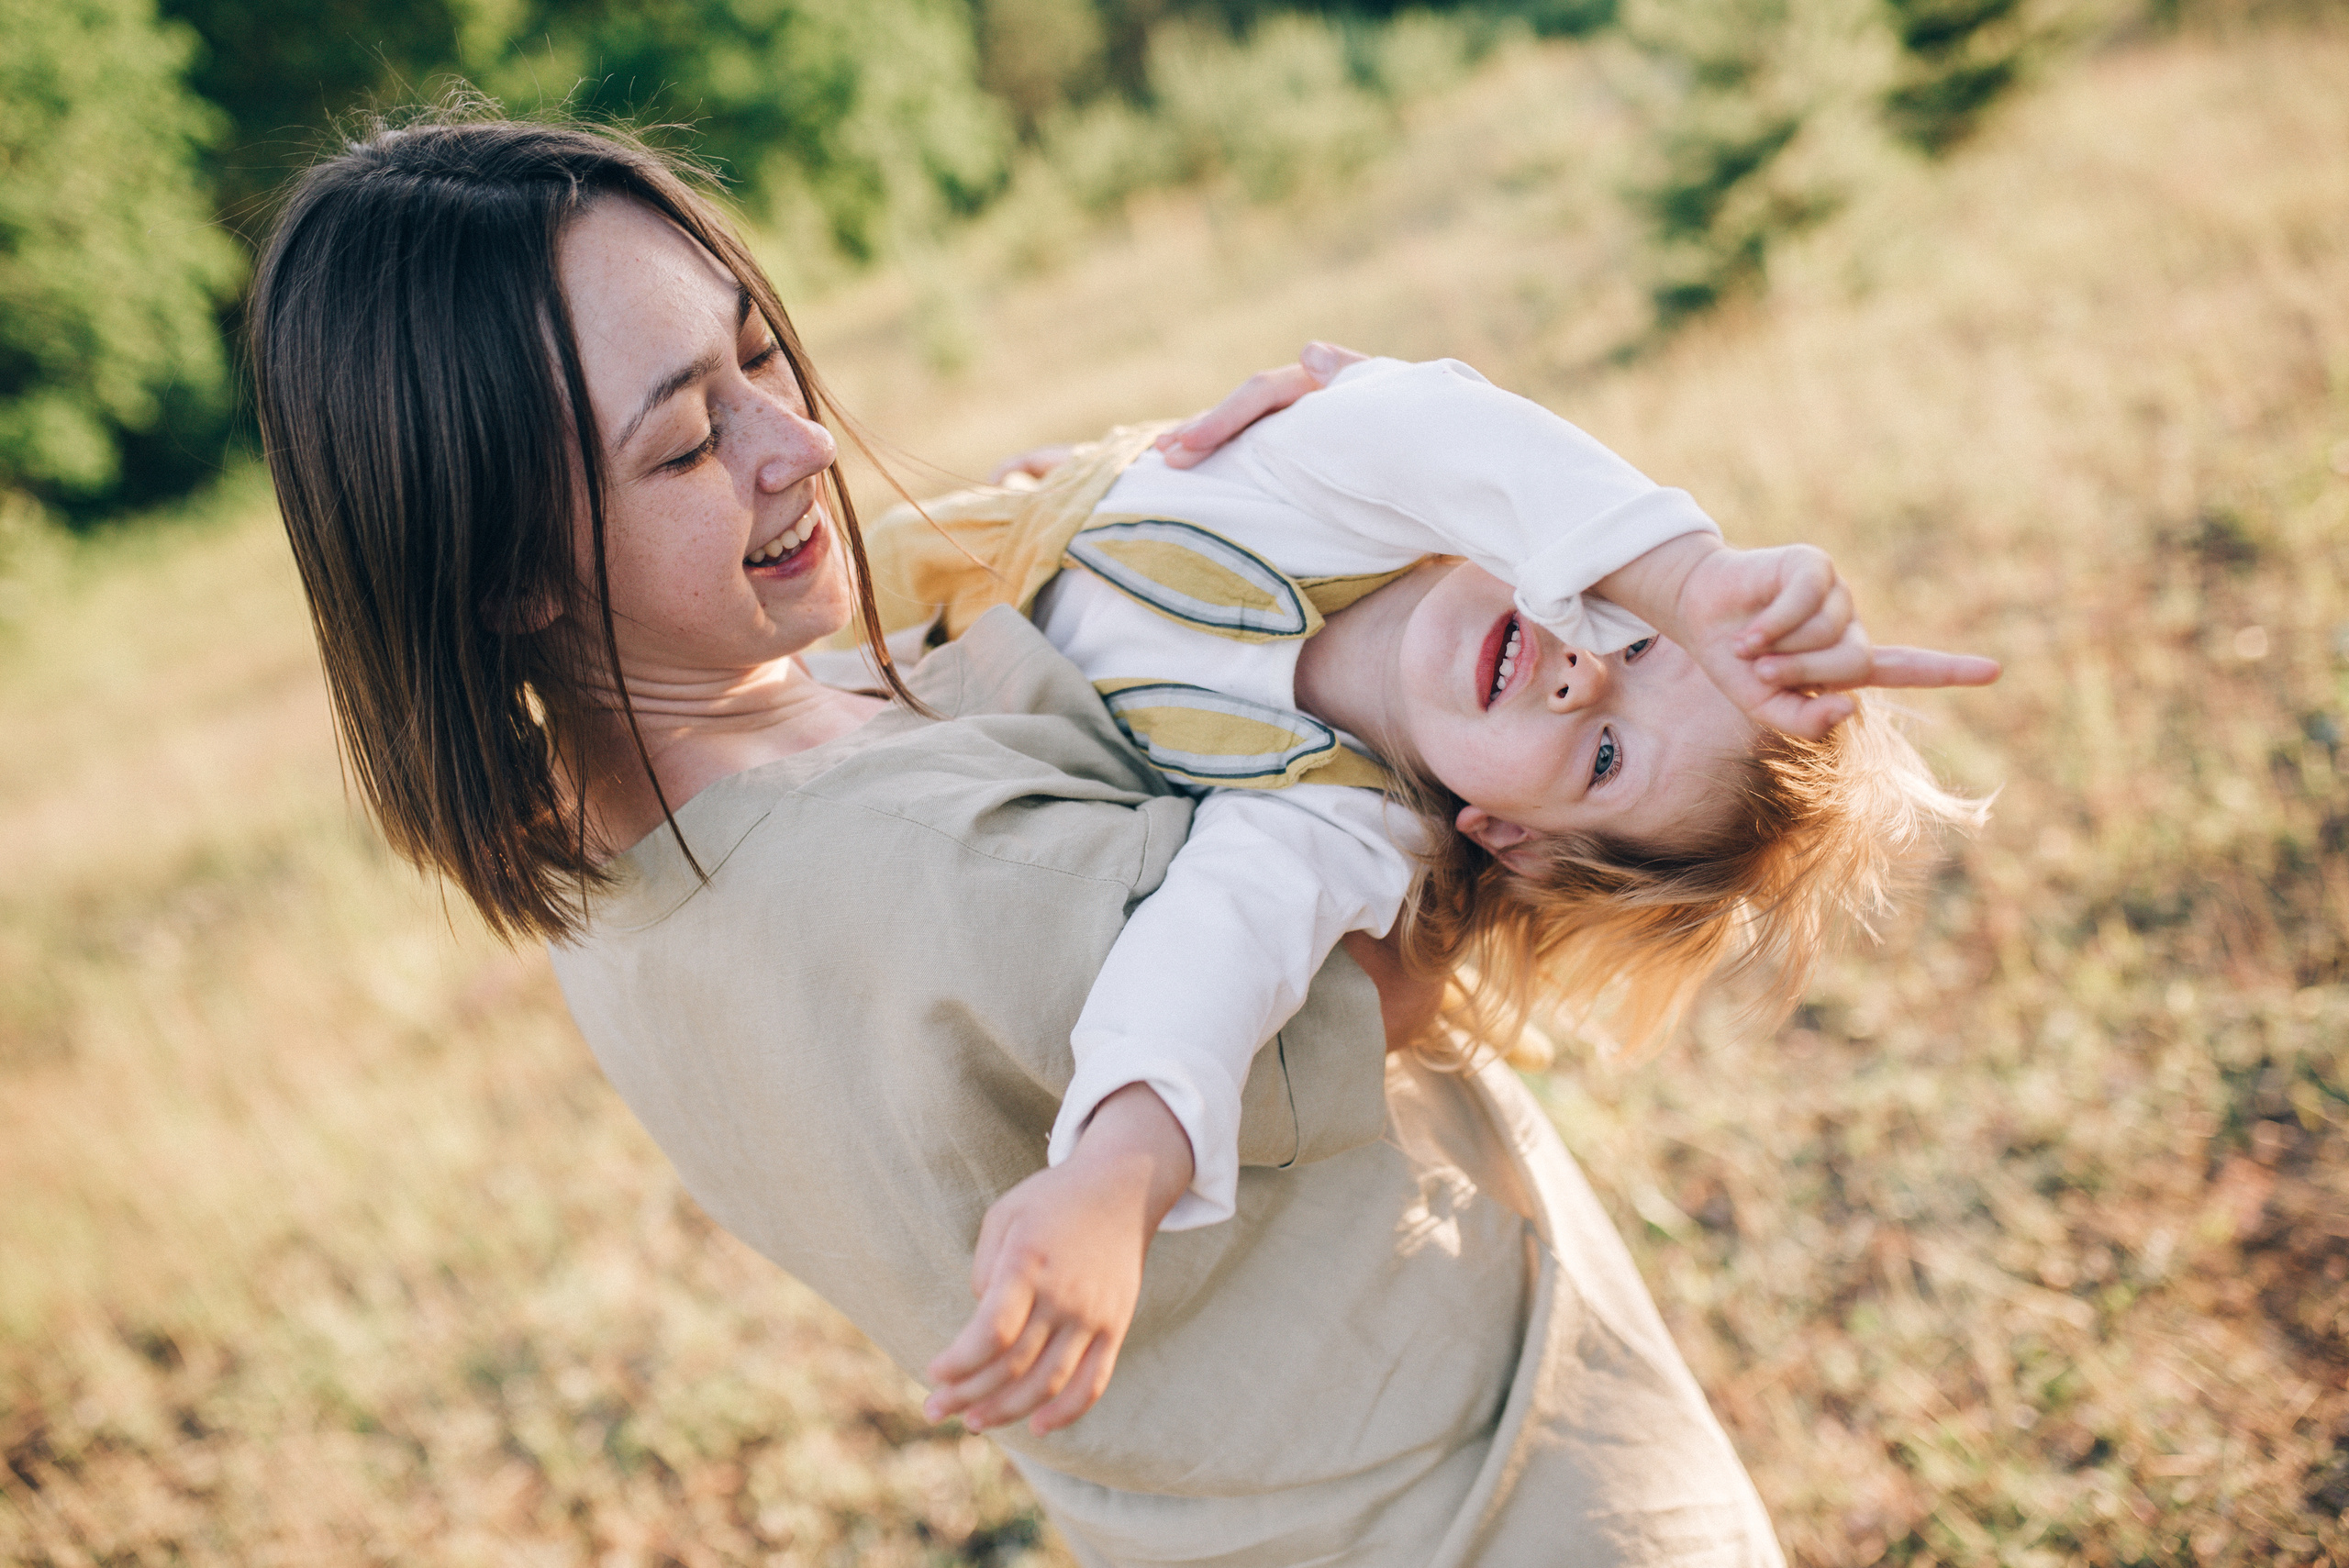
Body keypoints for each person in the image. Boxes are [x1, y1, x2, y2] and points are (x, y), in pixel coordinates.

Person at [247, 110, 1980, 1565]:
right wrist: (1461, 659)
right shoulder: (961, 864)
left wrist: (1161, 502)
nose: (794, 442)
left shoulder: (634, 858)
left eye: (758, 347)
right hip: (1491, 1481)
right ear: (511, 576)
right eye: (692, 434)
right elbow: (1294, 961)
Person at [865, 355, 1995, 1438]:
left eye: (1606, 757)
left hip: (895, 682)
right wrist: (1696, 582)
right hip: (933, 536)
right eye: (1644, 639)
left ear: (1514, 838)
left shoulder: (1334, 820)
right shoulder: (1362, 491)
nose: (1582, 674)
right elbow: (1454, 432)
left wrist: (1115, 1177)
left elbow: (1205, 966)